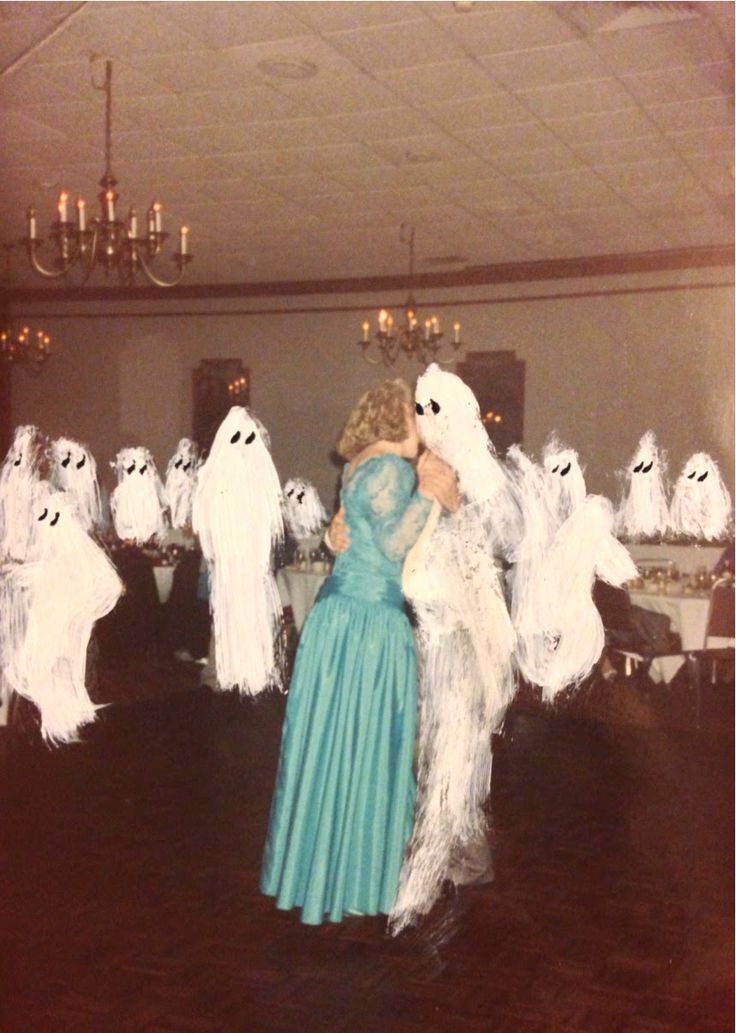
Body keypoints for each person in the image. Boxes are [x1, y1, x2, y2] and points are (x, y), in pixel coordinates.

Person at [260, 378, 458, 925]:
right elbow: (395, 544)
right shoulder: (394, 471)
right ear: (400, 420)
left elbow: (369, 536)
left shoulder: (357, 468)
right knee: (368, 746)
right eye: (418, 415)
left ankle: (319, 872)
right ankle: (358, 880)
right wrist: (430, 492)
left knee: (331, 746)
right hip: (369, 625)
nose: (425, 424)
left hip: (339, 619)